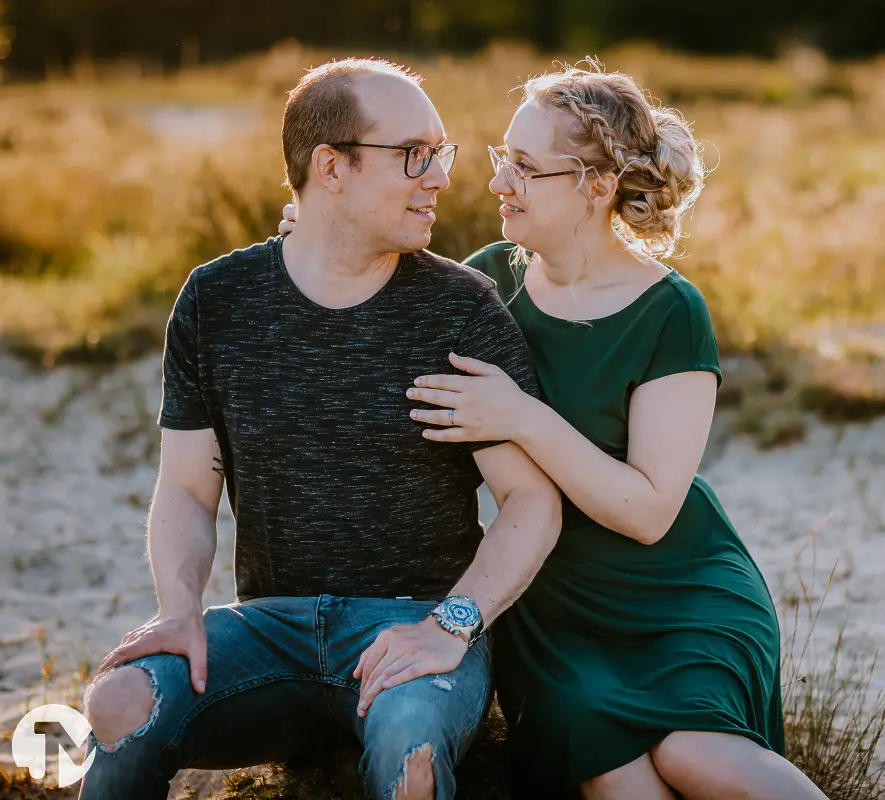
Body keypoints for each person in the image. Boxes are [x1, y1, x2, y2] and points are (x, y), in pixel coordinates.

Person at [281, 61, 828, 800]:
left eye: (526, 168)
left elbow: (648, 511)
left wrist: (523, 417)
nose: (498, 182)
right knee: (620, 782)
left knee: (699, 758)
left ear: (596, 187)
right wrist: (318, 229)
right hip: (551, 608)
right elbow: (364, 277)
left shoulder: (671, 311)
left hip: (679, 591)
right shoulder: (487, 284)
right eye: (502, 158)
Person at [77, 58, 562, 800]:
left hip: (415, 632)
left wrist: (451, 627)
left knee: (410, 753)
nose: (438, 176)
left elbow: (531, 502)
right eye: (412, 155)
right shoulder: (218, 300)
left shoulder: (460, 309)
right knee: (115, 705)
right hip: (267, 629)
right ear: (330, 167)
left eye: (441, 152)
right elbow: (184, 488)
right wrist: (178, 608)